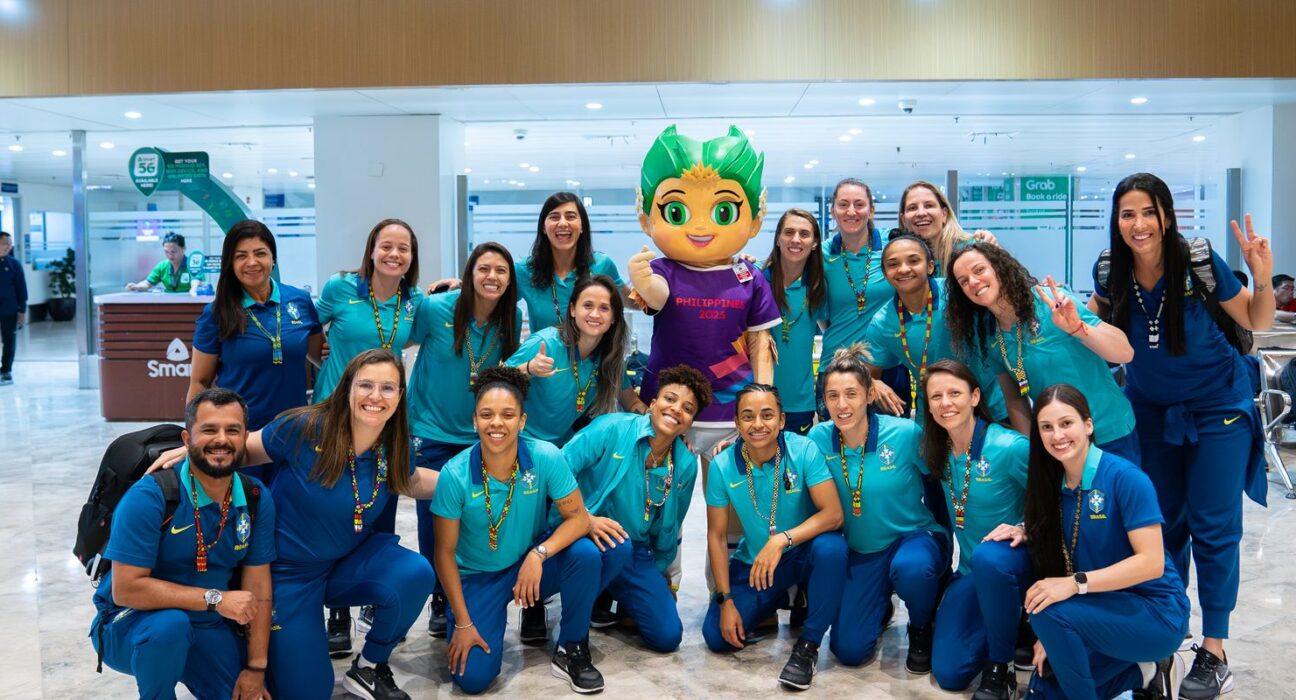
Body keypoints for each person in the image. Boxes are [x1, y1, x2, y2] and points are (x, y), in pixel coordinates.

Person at [157, 349, 441, 699]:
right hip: (287, 574)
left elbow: (409, 481)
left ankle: (368, 666)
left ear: (400, 396)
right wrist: (198, 451)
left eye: (387, 388)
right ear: (347, 388)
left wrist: (472, 482)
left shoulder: (394, 443)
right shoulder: (306, 427)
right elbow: (244, 448)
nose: (375, 397)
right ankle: (253, 642)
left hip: (348, 560)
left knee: (414, 572)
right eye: (366, 385)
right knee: (306, 693)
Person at [1088, 173, 1273, 699]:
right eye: (1128, 214)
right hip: (1149, 413)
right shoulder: (1109, 272)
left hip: (1219, 408)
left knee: (1215, 528)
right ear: (1117, 221)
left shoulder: (1197, 261)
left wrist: (1260, 275)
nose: (1138, 224)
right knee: (1159, 531)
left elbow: (1256, 320)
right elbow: (1095, 335)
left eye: (1148, 212)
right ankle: (1164, 640)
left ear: (1167, 215)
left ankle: (1214, 652)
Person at [431, 366, 607, 694]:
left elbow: (580, 518)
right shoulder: (454, 475)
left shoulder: (545, 456)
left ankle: (571, 646)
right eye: (487, 414)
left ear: (522, 421)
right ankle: (482, 618)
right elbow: (443, 554)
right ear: (474, 420)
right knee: (473, 679)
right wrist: (463, 622)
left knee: (589, 552)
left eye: (508, 415)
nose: (497, 423)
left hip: (528, 562)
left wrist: (538, 555)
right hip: (479, 577)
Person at [92, 389, 275, 700]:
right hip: (132, 622)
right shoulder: (151, 497)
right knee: (169, 628)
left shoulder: (256, 498)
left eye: (233, 430)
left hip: (207, 623)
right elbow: (126, 590)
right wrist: (215, 598)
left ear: (246, 437)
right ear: (187, 440)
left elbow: (258, 588)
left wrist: (256, 670)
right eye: (209, 430)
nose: (222, 439)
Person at [1022, 384, 1189, 700]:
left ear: (1088, 425)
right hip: (1100, 609)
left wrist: (1074, 585)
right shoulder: (1050, 485)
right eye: (1047, 427)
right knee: (1043, 689)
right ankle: (1147, 671)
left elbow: (1152, 563)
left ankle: (1152, 656)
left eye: (1066, 423)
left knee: (1047, 612)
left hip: (1156, 614)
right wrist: (1053, 635)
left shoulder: (1125, 478)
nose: (1057, 435)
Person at [626, 125, 780, 458]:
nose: (699, 227)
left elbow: (760, 345)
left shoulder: (749, 277)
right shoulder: (664, 270)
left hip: (731, 408)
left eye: (723, 212)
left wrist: (764, 395)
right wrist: (642, 279)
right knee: (658, 491)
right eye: (677, 212)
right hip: (668, 407)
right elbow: (657, 295)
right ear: (647, 219)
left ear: (754, 220)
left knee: (726, 498)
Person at [313, 218, 423, 656]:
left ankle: (373, 594)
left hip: (384, 420)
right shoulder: (340, 290)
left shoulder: (412, 302)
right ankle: (336, 610)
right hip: (333, 419)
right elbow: (305, 331)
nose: (394, 255)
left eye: (404, 248)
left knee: (380, 509)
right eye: (386, 246)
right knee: (334, 512)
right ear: (371, 250)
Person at [806, 346, 948, 675]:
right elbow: (779, 454)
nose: (842, 405)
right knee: (849, 650)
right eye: (832, 396)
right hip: (863, 551)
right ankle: (879, 602)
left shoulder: (904, 433)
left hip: (910, 539)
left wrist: (945, 543)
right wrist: (736, 443)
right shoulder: (816, 438)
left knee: (913, 569)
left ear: (870, 394)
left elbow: (939, 484)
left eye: (851, 394)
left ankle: (922, 625)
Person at [406, 241, 522, 637]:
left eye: (501, 271)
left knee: (477, 515)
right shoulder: (437, 308)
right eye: (484, 269)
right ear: (470, 273)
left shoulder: (511, 316)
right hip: (430, 432)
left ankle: (466, 587)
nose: (492, 277)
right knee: (434, 519)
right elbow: (399, 340)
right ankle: (439, 597)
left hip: (479, 434)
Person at [703, 384, 847, 690]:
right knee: (717, 637)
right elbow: (716, 536)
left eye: (767, 415)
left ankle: (807, 645)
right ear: (737, 423)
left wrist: (781, 539)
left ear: (781, 420)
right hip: (757, 562)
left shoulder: (804, 450)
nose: (758, 424)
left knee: (832, 548)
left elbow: (833, 514)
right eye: (748, 416)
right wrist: (725, 600)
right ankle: (786, 596)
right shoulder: (722, 465)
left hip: (803, 551)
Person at [561, 364, 712, 651]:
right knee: (601, 554)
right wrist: (583, 518)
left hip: (634, 550)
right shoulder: (612, 428)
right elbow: (559, 469)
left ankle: (610, 591)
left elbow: (670, 525)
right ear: (652, 403)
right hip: (584, 534)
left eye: (687, 408)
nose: (676, 409)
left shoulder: (685, 464)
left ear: (690, 422)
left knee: (667, 636)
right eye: (669, 399)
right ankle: (588, 605)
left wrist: (658, 572)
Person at [946, 241, 1140, 461]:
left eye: (979, 270)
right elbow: (1015, 400)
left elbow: (1125, 353)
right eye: (963, 281)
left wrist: (1078, 328)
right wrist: (1031, 452)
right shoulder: (989, 333)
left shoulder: (1049, 304)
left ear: (998, 267)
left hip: (1108, 432)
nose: (973, 282)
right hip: (1059, 443)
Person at [920, 360, 1031, 700]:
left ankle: (1002, 666)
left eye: (954, 393)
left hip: (1012, 564)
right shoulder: (935, 449)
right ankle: (1010, 626)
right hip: (970, 571)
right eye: (935, 396)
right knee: (949, 674)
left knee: (987, 557)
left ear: (975, 396)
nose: (945, 403)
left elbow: (1057, 498)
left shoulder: (1010, 446)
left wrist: (1027, 527)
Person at [189, 220, 323, 481]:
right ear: (231, 263)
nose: (252, 262)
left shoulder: (299, 301)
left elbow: (322, 354)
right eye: (241, 256)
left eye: (260, 253)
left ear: (273, 258)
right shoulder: (216, 314)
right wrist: (197, 437)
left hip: (293, 432)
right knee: (246, 511)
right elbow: (199, 382)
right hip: (241, 435)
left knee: (288, 512)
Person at [864, 233, 1008, 423]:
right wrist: (873, 383)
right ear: (884, 274)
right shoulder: (882, 323)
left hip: (990, 406)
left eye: (913, 260)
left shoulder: (958, 294)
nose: (904, 269)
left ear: (930, 266)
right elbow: (869, 374)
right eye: (893, 264)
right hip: (935, 415)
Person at [508, 274, 628, 446]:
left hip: (563, 446)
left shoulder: (609, 356)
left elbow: (630, 399)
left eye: (604, 308)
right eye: (587, 305)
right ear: (572, 310)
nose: (595, 314)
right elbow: (493, 382)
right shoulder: (545, 343)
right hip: (520, 442)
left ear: (614, 317)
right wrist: (528, 368)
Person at [819, 179, 893, 401]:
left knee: (889, 435)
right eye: (843, 204)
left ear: (871, 210)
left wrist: (980, 239)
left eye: (859, 204)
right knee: (835, 435)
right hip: (836, 365)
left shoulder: (894, 245)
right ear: (832, 211)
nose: (851, 211)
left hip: (887, 366)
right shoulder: (819, 255)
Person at [517, 192, 626, 330]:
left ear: (582, 227)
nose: (562, 223)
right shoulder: (524, 270)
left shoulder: (602, 264)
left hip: (595, 352)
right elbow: (496, 307)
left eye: (570, 216)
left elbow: (631, 301)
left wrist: (647, 281)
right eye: (554, 217)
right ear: (543, 227)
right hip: (544, 351)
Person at [762, 208, 826, 435]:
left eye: (804, 234)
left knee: (794, 469)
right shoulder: (757, 279)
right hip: (757, 397)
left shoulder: (818, 287)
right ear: (778, 239)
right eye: (788, 232)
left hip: (799, 403)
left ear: (815, 243)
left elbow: (831, 333)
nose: (796, 240)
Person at [896, 180, 996, 276]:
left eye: (929, 205)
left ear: (944, 214)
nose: (921, 213)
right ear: (903, 220)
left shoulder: (972, 249)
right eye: (912, 208)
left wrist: (995, 252)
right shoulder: (895, 258)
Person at [126, 232, 204, 294]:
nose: (170, 255)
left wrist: (194, 290)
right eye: (167, 252)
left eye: (173, 251)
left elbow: (196, 282)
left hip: (188, 302)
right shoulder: (162, 266)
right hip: (168, 303)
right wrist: (136, 286)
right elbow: (148, 283)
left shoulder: (193, 264)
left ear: (183, 249)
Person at [0, 231, 26, 386]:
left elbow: (21, 289)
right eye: (5, 243)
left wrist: (22, 310)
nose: (8, 247)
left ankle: (6, 370)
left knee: (9, 340)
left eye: (10, 244)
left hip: (9, 310)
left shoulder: (14, 264)